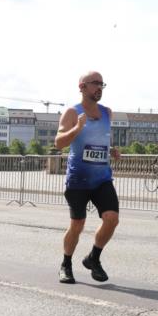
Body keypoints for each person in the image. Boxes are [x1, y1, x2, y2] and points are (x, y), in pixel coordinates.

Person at [54, 71, 121, 284]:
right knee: (78, 224)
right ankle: (66, 263)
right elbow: (59, 143)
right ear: (82, 86)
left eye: (102, 84)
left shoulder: (107, 113)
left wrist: (111, 150)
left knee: (112, 219)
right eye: (95, 84)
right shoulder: (72, 113)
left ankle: (94, 257)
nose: (99, 88)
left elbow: (101, 139)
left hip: (102, 178)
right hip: (78, 179)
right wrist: (77, 128)